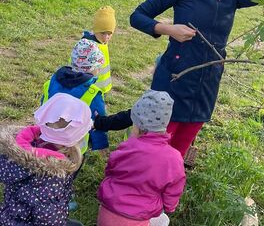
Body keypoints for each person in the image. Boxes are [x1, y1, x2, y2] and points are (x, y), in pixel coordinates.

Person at [129, 0, 264, 157]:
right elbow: (137, 16)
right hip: (173, 78)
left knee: (177, 153)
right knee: (153, 148)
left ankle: (168, 189)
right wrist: (169, 29)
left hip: (206, 82)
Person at [0, 93, 93, 226]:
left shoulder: (20, 148)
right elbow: (49, 219)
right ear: (77, 137)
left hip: (11, 215)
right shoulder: (51, 176)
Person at [97, 90, 185, 226]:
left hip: (107, 212)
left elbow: (110, 169)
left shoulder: (127, 146)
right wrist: (169, 206)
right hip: (139, 217)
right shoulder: (174, 158)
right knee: (163, 220)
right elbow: (174, 188)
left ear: (137, 126)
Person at [43, 38, 109, 153]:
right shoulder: (92, 93)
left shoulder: (51, 82)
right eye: (98, 67)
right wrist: (101, 145)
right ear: (92, 68)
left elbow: (44, 107)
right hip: (73, 146)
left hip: (47, 138)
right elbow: (98, 121)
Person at [81, 6, 117, 93]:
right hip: (89, 90)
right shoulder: (88, 46)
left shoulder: (101, 42)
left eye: (109, 33)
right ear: (95, 30)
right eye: (103, 33)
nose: (106, 37)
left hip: (101, 88)